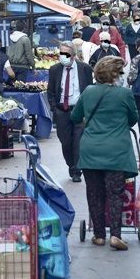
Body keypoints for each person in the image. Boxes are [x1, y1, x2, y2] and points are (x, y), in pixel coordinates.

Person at [71, 55, 138, 250]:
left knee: (94, 193)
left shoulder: (88, 92)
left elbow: (75, 117)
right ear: (115, 74)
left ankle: (99, 235)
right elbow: (133, 119)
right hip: (116, 151)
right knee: (115, 193)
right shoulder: (124, 94)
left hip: (91, 149)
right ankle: (115, 235)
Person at [47, 41, 94, 183]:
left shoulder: (84, 69)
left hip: (79, 110)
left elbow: (90, 89)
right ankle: (71, 164)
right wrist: (54, 107)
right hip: (62, 111)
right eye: (61, 53)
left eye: (66, 53)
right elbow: (50, 91)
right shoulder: (55, 69)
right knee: (66, 142)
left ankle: (76, 170)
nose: (63, 56)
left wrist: (87, 110)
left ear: (73, 55)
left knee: (78, 141)